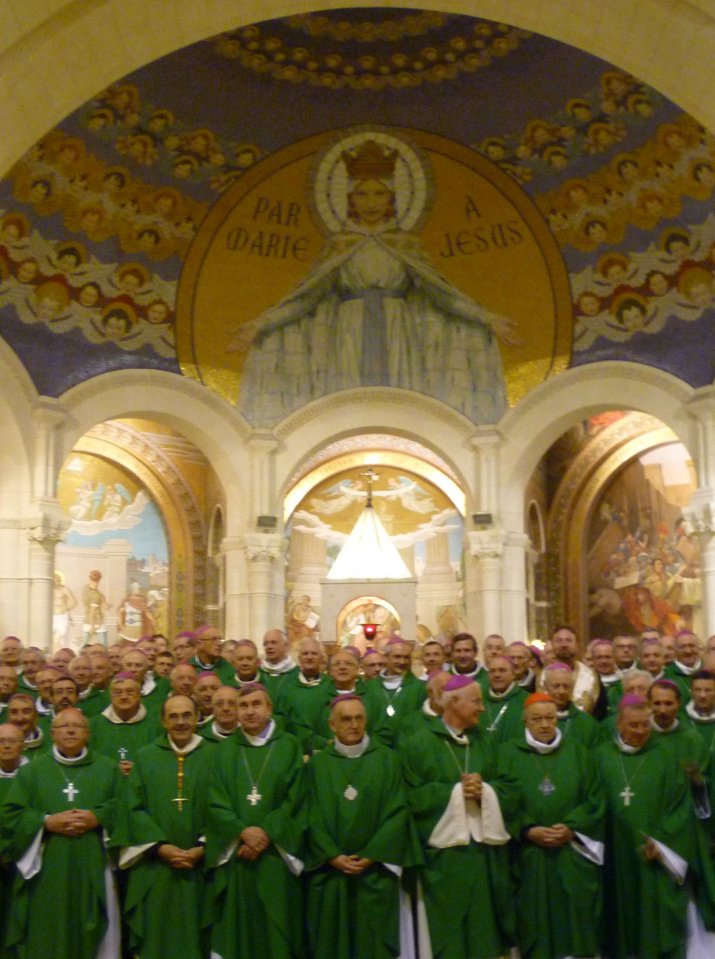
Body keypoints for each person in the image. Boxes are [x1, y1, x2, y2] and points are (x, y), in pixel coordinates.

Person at [234, 134, 518, 427]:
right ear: (350, 199)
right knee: (347, 408)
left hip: (398, 331)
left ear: (392, 199)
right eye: (362, 194)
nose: (371, 203)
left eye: (379, 194)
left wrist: (487, 318)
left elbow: (442, 294)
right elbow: (305, 298)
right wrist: (260, 325)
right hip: (349, 330)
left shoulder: (404, 244)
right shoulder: (340, 245)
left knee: (402, 407)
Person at [399, 675, 513, 959]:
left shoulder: (485, 741)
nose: (482, 708)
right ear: (453, 703)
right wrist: (455, 792)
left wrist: (485, 791)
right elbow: (409, 798)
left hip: (483, 854)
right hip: (442, 859)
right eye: (476, 701)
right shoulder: (419, 744)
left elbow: (509, 788)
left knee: (483, 932)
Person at [1, 708, 121, 959]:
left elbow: (124, 806)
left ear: (88, 733)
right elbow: (12, 815)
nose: (70, 731)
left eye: (77, 726)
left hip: (93, 858)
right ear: (53, 733)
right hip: (47, 866)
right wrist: (45, 821)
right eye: (63, 726)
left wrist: (97, 817)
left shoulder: (108, 768)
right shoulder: (32, 771)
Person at [305, 694, 418, 959]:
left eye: (359, 718)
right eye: (346, 719)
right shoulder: (318, 765)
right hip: (331, 873)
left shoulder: (388, 760)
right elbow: (310, 815)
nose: (354, 725)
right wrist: (332, 855)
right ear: (332, 725)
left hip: (375, 873)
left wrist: (372, 854)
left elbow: (397, 811)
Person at [499, 692, 605, 959]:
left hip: (571, 850)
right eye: (537, 719)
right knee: (534, 917)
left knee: (575, 920)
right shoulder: (507, 754)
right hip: (530, 854)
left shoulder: (579, 753)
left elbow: (595, 799)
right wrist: (527, 829)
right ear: (525, 721)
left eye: (550, 718)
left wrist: (571, 827)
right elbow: (500, 801)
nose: (545, 724)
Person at [206, 683, 306, 959]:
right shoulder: (224, 751)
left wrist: (266, 833)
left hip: (276, 856)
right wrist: (242, 832)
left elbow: (296, 798)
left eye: (256, 704)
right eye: (244, 706)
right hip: (237, 856)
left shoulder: (289, 746)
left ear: (269, 708)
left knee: (276, 932)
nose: (250, 711)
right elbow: (216, 800)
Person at [595, 695, 694, 959]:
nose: (640, 731)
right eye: (633, 725)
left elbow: (681, 804)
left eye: (645, 725)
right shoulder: (602, 756)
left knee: (653, 920)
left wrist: (663, 842)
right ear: (619, 724)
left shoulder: (666, 754)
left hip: (654, 853)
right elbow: (591, 800)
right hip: (614, 851)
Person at [119, 695, 215, 959]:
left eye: (186, 715)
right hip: (155, 868)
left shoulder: (216, 755)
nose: (180, 722)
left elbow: (223, 806)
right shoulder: (145, 757)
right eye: (173, 716)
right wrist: (160, 847)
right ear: (162, 721)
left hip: (202, 868)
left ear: (197, 718)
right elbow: (132, 808)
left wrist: (202, 846)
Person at [89, 673, 159, 777]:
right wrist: (111, 769)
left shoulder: (155, 724)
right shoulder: (94, 725)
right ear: (110, 696)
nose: (124, 697)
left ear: (139, 695)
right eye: (118, 692)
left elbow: (159, 761)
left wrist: (138, 769)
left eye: (130, 692)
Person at [362, 637, 426, 744]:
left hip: (408, 746)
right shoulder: (370, 687)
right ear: (386, 658)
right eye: (397, 657)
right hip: (376, 746)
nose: (402, 661)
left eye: (406, 657)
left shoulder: (419, 687)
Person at [81, 570, 109, 645]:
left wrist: (102, 599)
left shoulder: (85, 588)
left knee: (83, 645)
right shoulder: (97, 594)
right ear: (99, 579)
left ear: (90, 578)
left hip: (87, 621)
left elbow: (105, 606)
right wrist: (92, 626)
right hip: (96, 622)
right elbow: (93, 611)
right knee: (104, 646)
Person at [52, 573, 77, 649]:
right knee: (53, 639)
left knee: (58, 638)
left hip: (62, 617)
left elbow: (74, 602)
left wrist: (65, 609)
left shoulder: (64, 589)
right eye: (54, 581)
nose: (56, 582)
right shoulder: (49, 590)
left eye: (57, 580)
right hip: (52, 617)